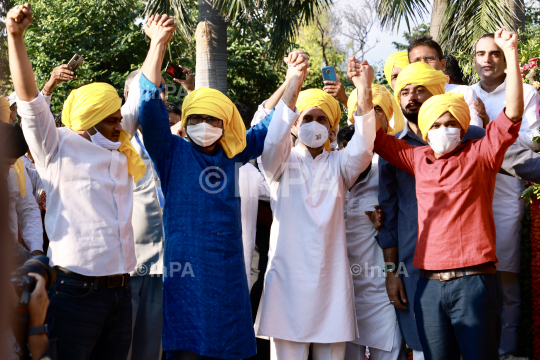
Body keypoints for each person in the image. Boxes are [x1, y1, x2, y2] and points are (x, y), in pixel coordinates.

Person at [371, 29, 522, 359]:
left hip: (474, 284)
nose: (443, 130)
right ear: (425, 130)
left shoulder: (481, 152)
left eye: (450, 123)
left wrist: (510, 53)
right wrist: (360, 89)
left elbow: (512, 114)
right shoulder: (416, 158)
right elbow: (376, 137)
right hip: (428, 286)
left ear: (462, 125)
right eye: (435, 125)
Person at [7, 4, 147, 359]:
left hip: (120, 292)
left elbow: (144, 90)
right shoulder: (55, 146)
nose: (120, 125)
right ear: (88, 121)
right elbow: (29, 101)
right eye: (111, 120)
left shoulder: (120, 147)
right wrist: (16, 38)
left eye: (119, 117)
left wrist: (157, 44)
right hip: (74, 292)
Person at [137, 14, 274, 360]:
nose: (203, 125)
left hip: (227, 274)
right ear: (184, 121)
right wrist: (157, 45)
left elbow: (267, 125)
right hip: (185, 272)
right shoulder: (171, 152)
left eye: (212, 119)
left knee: (229, 346)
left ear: (225, 124)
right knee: (186, 347)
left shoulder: (232, 153)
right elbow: (149, 108)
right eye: (195, 118)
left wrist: (292, 83)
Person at [255, 51, 375, 359]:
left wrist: (364, 91)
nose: (314, 124)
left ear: (333, 130)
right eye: (306, 118)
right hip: (287, 285)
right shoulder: (277, 164)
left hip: (330, 285)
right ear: (293, 126)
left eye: (322, 119)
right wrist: (294, 81)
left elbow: (363, 148)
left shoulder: (341, 164)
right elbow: (272, 141)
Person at [473, 32, 540, 357]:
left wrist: (493, 132)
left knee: (507, 282)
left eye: (495, 54)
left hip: (507, 192)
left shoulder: (526, 92)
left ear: (505, 58)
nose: (487, 60)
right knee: (475, 280)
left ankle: (508, 351)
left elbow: (535, 139)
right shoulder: (463, 94)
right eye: (481, 53)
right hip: (469, 197)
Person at [343, 86, 406, 360]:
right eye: (360, 109)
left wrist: (385, 217)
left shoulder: (394, 159)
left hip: (381, 281)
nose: (367, 114)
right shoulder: (334, 158)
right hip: (338, 282)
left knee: (387, 349)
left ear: (388, 116)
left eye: (376, 109)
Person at [121, 68, 166, 360]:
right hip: (127, 258)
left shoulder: (168, 141)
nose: (159, 96)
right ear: (131, 96)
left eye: (161, 91)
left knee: (151, 347)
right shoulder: (117, 140)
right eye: (150, 89)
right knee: (121, 341)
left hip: (163, 260)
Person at [407, 36, 486, 128]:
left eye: (429, 58)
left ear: (443, 64)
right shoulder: (408, 99)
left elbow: (475, 132)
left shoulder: (464, 93)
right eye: (416, 60)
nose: (423, 64)